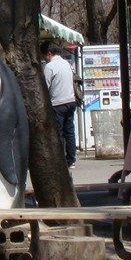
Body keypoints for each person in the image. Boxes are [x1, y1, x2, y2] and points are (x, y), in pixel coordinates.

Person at [40, 41, 77, 169]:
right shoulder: (66, 63)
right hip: (70, 100)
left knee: (58, 133)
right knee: (70, 131)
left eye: (44, 55)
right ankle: (71, 160)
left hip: (57, 103)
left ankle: (59, 160)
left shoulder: (50, 67)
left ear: (49, 54)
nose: (44, 58)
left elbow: (45, 86)